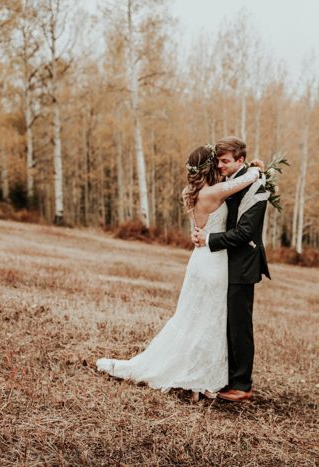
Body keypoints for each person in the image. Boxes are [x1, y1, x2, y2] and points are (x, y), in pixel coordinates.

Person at [96, 144, 262, 401]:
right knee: (209, 322)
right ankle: (201, 377)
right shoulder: (215, 192)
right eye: (216, 162)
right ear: (209, 167)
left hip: (200, 260)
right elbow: (250, 177)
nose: (220, 166)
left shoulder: (193, 191)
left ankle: (202, 376)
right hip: (213, 264)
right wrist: (258, 168)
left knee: (194, 320)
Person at [192, 136, 271, 402]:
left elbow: (246, 231)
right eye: (219, 161)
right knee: (224, 322)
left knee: (239, 325)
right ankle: (224, 376)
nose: (221, 165)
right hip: (223, 262)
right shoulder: (230, 181)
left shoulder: (257, 185)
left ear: (240, 160)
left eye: (226, 161)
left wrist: (209, 239)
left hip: (242, 264)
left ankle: (242, 385)